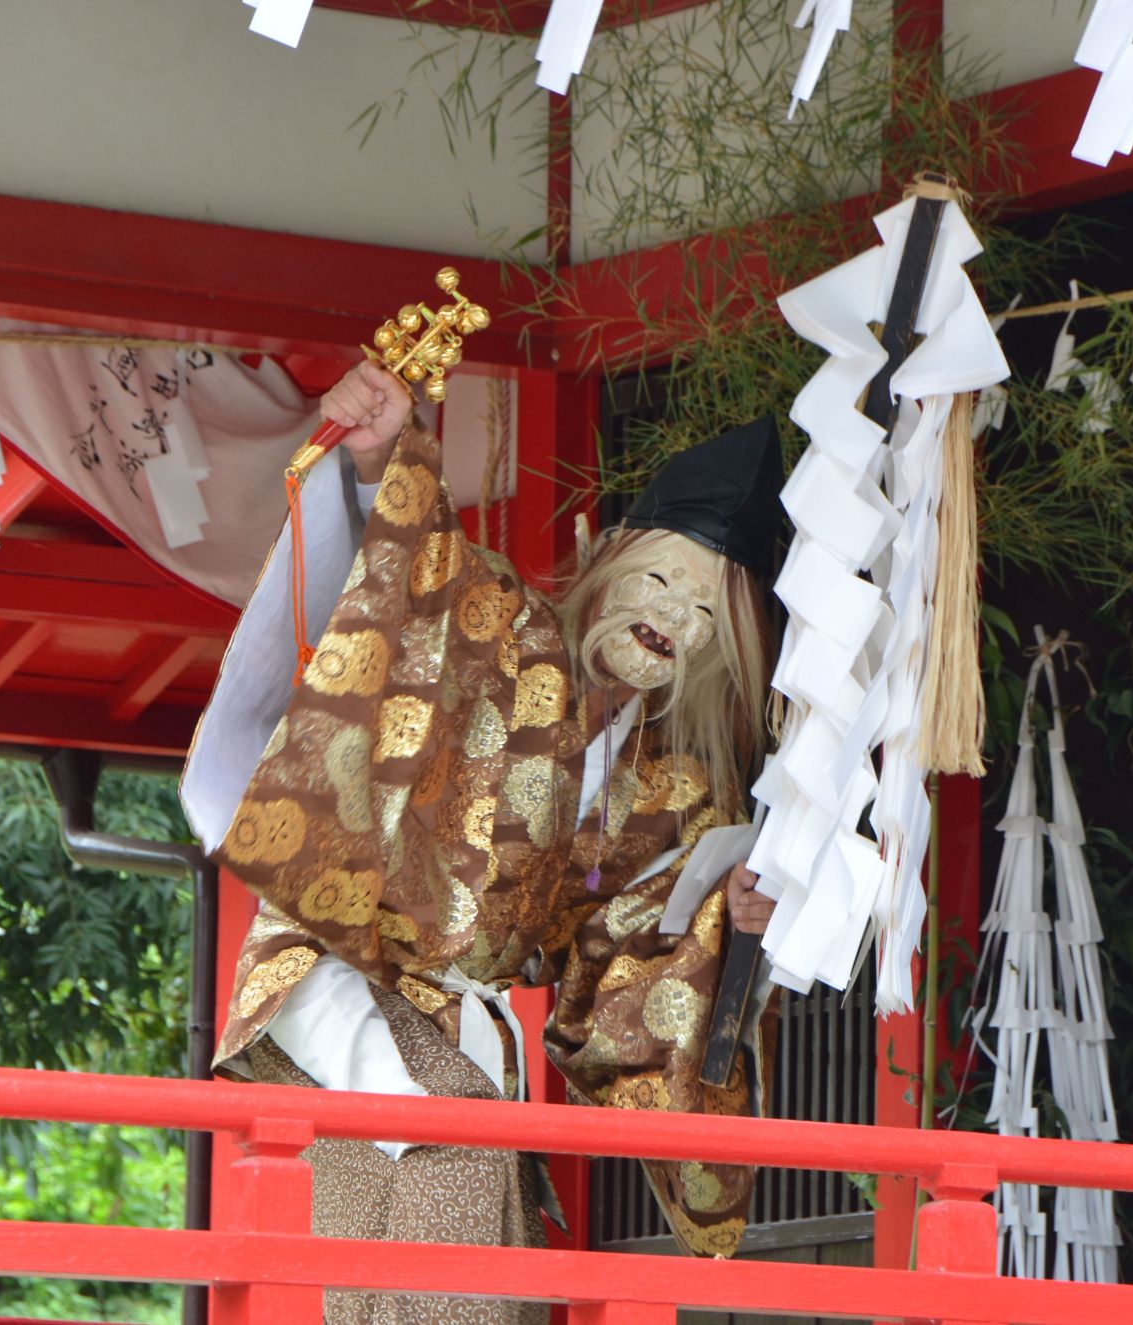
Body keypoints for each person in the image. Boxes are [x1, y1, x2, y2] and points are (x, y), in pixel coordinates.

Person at [188, 359, 783, 1325]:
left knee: (468, 1245)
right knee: (453, 1161)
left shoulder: (666, 785)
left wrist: (734, 919)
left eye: (709, 614)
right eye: (668, 580)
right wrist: (385, 459)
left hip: (461, 1022)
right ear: (617, 553)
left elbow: (632, 954)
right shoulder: (505, 629)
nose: (675, 618)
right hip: (347, 962)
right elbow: (412, 586)